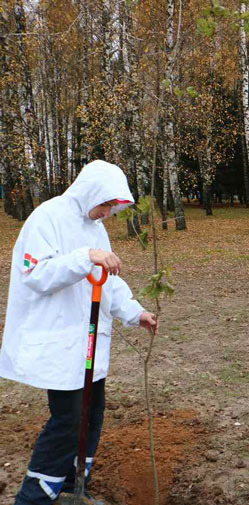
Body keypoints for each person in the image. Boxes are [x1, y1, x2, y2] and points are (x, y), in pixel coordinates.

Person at [0, 160, 159, 505]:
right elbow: (35, 274)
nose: (107, 213)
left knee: (93, 413)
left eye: (113, 207)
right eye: (106, 204)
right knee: (69, 419)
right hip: (59, 338)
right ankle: (33, 498)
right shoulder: (48, 217)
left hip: (89, 340)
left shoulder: (95, 228)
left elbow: (108, 281)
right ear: (90, 192)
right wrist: (85, 257)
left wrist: (135, 312)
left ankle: (73, 486)